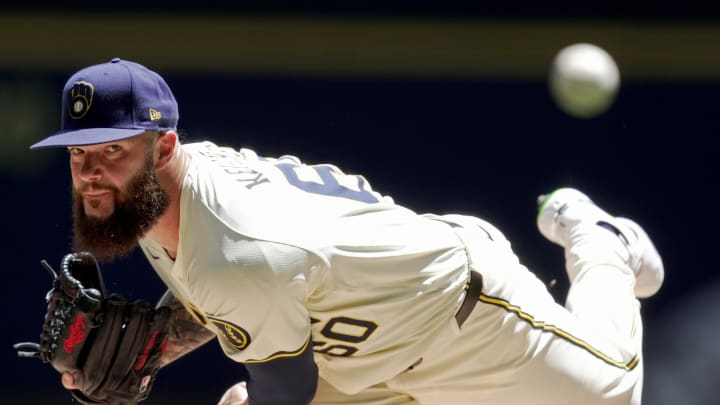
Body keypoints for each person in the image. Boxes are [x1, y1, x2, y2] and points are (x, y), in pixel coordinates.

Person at [31, 58, 664, 405]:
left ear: (165, 145)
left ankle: (600, 239)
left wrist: (145, 365)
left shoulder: (240, 249)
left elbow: (287, 383)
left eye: (111, 150)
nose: (90, 172)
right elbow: (219, 286)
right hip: (361, 346)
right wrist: (146, 358)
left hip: (466, 324)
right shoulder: (152, 191)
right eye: (78, 153)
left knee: (614, 394)